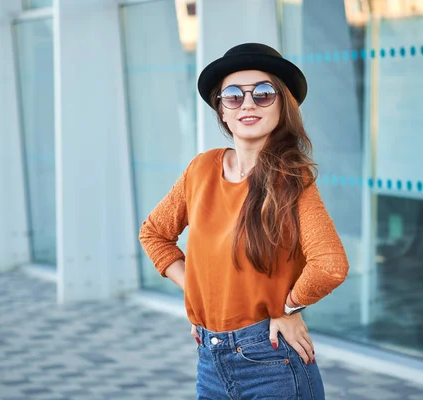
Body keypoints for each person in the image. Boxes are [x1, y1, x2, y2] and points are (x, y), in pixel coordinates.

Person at [138, 43, 349, 399]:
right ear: (221, 110)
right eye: (233, 96)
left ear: (283, 106)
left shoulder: (293, 181)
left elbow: (330, 266)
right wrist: (200, 294)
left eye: (263, 94)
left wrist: (286, 307)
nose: (247, 103)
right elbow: (154, 235)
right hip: (210, 360)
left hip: (272, 362)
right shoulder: (201, 169)